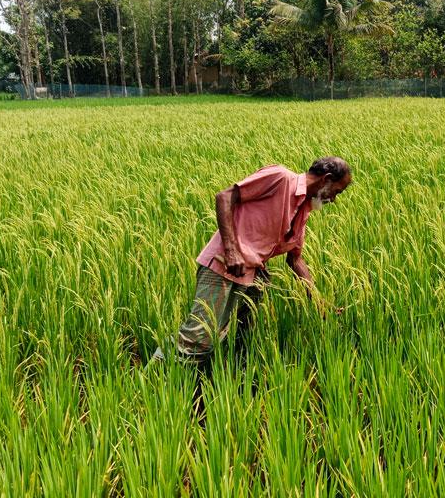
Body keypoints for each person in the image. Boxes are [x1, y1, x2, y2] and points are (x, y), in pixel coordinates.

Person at [151, 156, 352, 368]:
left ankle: (224, 381)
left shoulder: (303, 210)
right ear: (326, 179)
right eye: (337, 191)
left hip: (251, 276)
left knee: (237, 338)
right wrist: (231, 250)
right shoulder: (281, 178)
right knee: (197, 339)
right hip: (223, 266)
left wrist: (318, 302)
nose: (335, 199)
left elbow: (295, 259)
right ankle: (148, 384)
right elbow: (225, 197)